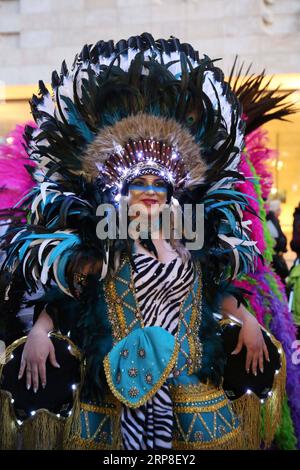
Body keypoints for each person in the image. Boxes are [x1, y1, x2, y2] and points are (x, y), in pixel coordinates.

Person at [0, 33, 284, 450]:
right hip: (115, 397)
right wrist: (41, 332)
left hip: (190, 395)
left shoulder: (193, 242)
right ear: (123, 192)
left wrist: (251, 322)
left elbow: (214, 294)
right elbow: (70, 301)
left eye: (158, 184)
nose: (150, 191)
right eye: (139, 183)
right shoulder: (100, 245)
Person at [266, 199, 289, 283]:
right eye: (279, 209)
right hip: (274, 257)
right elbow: (275, 241)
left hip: (276, 256)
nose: (280, 211)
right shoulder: (271, 221)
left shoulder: (274, 220)